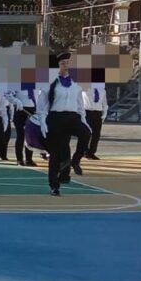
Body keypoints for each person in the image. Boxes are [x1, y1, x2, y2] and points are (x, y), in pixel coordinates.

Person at [37, 52, 90, 196]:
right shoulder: (50, 83)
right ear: (58, 66)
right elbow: (42, 105)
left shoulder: (76, 84)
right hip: (56, 118)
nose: (66, 66)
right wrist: (42, 121)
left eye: (68, 63)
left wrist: (84, 121)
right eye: (63, 63)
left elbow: (80, 106)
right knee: (56, 153)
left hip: (72, 117)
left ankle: (76, 160)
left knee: (86, 133)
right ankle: (54, 185)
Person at [6, 88, 38, 166]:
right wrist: (16, 101)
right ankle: (19, 159)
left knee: (30, 136)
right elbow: (7, 94)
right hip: (20, 109)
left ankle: (29, 159)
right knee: (21, 135)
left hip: (32, 109)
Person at [76, 83, 107, 162]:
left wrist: (104, 113)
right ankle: (83, 151)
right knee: (86, 133)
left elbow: (104, 102)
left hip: (97, 112)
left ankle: (91, 152)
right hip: (87, 112)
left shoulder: (102, 90)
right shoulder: (84, 88)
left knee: (96, 134)